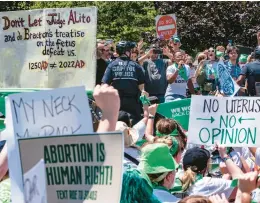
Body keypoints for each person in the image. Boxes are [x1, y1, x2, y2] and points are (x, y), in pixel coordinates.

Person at [102, 41, 145, 125]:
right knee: (135, 127)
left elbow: (104, 85)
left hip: (116, 102)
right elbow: (142, 87)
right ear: (127, 52)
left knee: (118, 126)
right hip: (133, 103)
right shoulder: (136, 66)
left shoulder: (112, 65)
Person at [180, 146, 244, 200]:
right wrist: (225, 156)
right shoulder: (207, 183)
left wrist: (225, 176)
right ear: (205, 168)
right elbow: (243, 185)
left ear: (183, 166)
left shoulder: (176, 180)